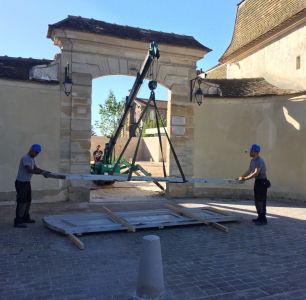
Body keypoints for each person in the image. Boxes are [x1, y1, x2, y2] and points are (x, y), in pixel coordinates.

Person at [14, 144, 51, 228]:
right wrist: (42, 173)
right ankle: (18, 221)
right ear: (31, 150)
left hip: (26, 182)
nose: (36, 154)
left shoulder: (32, 159)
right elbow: (29, 170)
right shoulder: (25, 158)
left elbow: (36, 168)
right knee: (22, 202)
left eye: (38, 153)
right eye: (36, 152)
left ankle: (25, 217)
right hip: (21, 183)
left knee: (28, 201)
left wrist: (46, 172)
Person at [237, 144, 270, 225]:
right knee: (256, 201)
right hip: (258, 182)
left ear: (255, 151)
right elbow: (249, 170)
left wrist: (245, 179)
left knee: (260, 201)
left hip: (262, 182)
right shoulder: (253, 160)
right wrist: (241, 176)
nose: (250, 152)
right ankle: (259, 217)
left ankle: (263, 219)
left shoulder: (259, 161)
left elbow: (255, 173)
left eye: (251, 150)